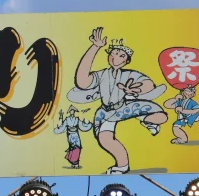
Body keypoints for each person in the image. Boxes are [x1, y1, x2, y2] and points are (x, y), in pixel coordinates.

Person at [68, 27, 168, 174]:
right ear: (109, 56)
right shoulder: (102, 75)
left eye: (121, 55)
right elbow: (82, 81)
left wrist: (136, 89)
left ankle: (147, 121)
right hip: (106, 112)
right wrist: (95, 47)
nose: (116, 58)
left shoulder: (129, 74)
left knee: (161, 116)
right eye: (113, 54)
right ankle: (122, 166)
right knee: (105, 140)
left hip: (126, 106)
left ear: (126, 60)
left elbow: (148, 84)